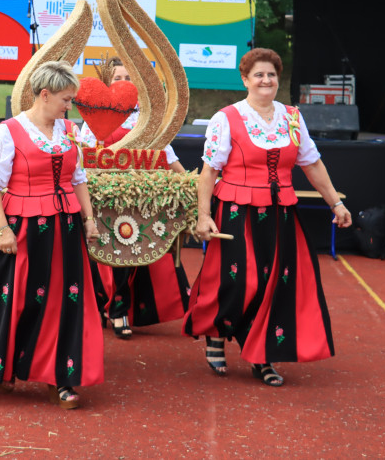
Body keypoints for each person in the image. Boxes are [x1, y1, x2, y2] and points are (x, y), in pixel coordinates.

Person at [184, 48, 350, 386]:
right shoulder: (226, 118)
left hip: (280, 215)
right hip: (236, 212)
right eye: (258, 74)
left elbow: (312, 163)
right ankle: (217, 331)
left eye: (271, 75)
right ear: (245, 80)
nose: (266, 80)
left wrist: (336, 203)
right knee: (237, 281)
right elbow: (208, 172)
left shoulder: (292, 117)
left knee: (276, 285)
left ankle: (263, 356)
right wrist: (203, 216)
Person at [0, 61, 104, 410]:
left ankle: (60, 377)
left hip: (65, 227)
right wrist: (3, 229)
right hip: (24, 228)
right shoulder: (9, 131)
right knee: (17, 298)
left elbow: (78, 179)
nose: (70, 106)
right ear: (44, 94)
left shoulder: (68, 130)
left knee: (66, 300)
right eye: (65, 99)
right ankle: (4, 366)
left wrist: (89, 219)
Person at [77, 57, 191, 339]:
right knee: (114, 257)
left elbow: (169, 158)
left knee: (140, 255)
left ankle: (125, 310)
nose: (125, 82)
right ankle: (116, 312)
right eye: (118, 78)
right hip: (107, 201)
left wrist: (190, 184)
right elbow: (81, 161)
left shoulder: (149, 118)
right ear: (106, 83)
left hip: (142, 202)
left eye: (130, 77)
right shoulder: (93, 117)